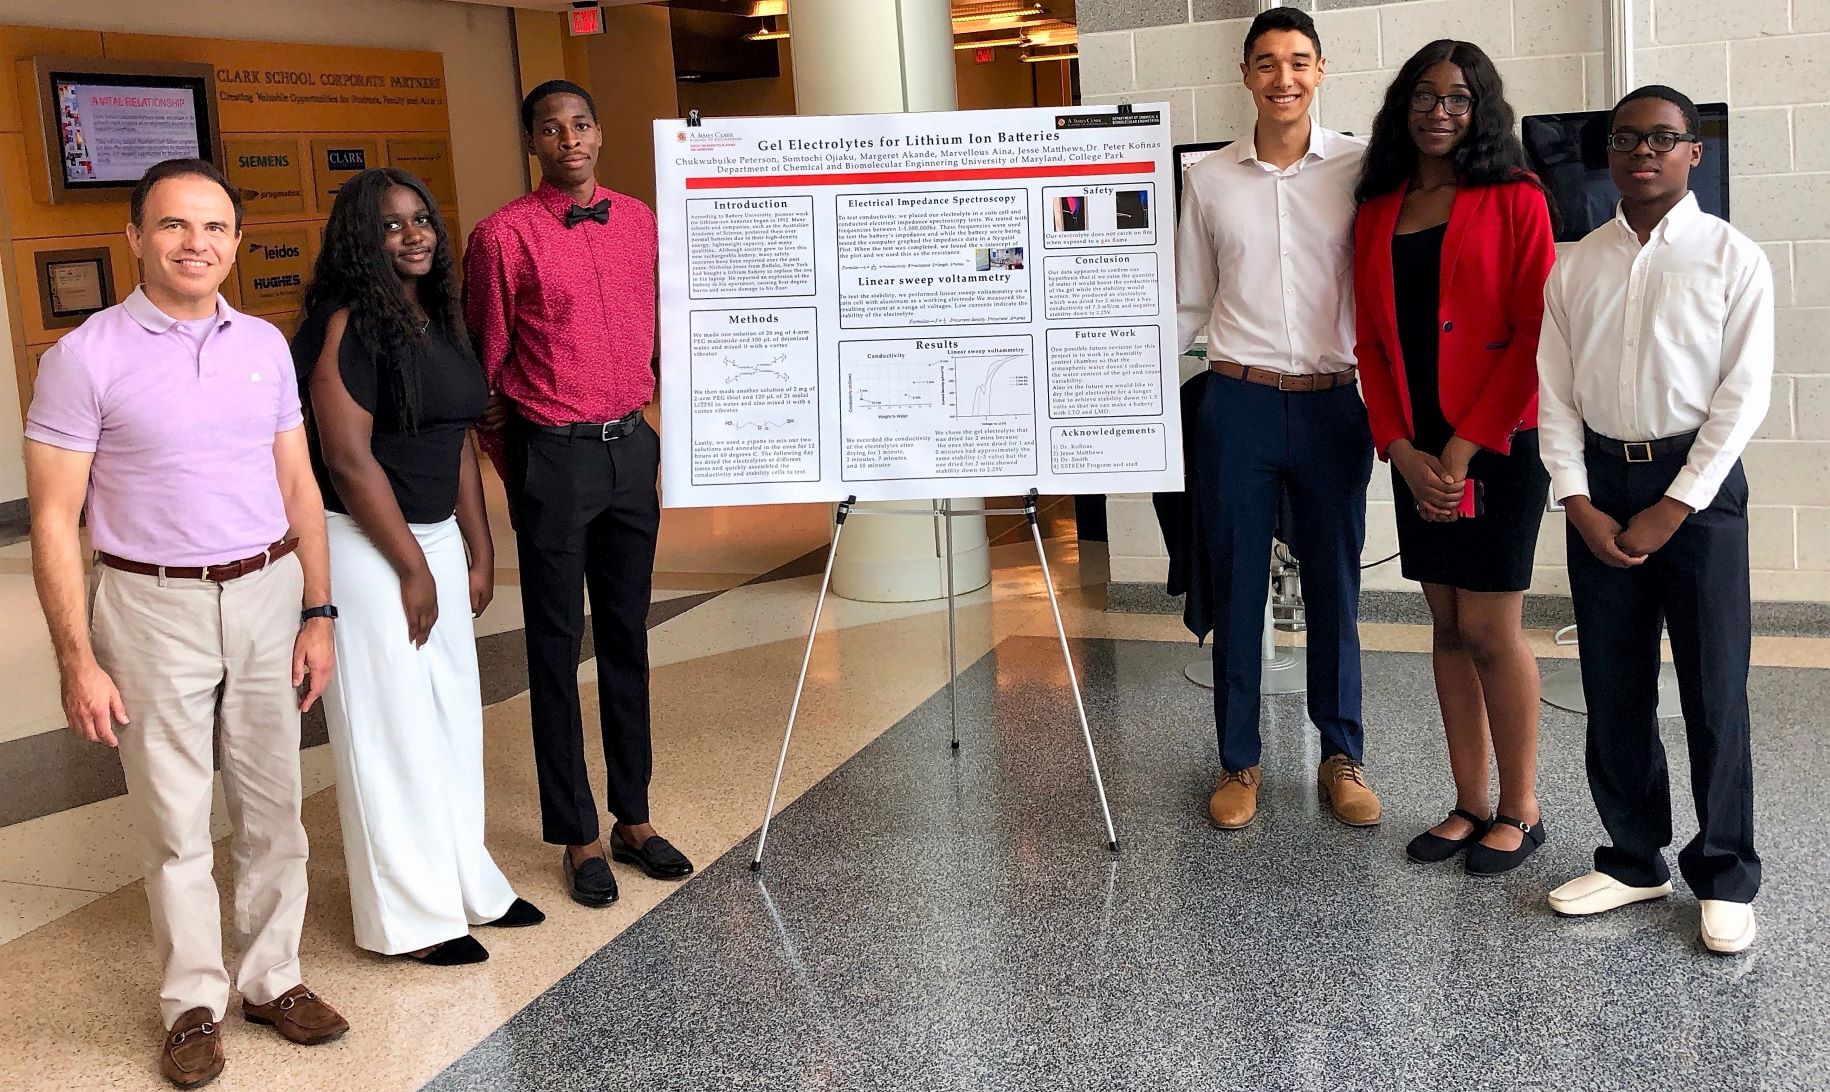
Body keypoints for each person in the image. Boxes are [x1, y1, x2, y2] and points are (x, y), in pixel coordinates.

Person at [24, 158, 348, 1088]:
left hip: (263, 591)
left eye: (213, 229)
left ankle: (272, 979)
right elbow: (54, 517)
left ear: (236, 245)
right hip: (148, 602)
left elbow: (299, 485)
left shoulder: (262, 346)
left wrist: (317, 612)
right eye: (173, 226)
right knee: (173, 819)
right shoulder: (84, 356)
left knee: (274, 806)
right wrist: (76, 657)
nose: (195, 244)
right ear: (134, 237)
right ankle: (193, 1003)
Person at [1538, 85, 1772, 954]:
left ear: (1693, 153)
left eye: (1663, 138)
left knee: (1715, 688)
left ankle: (1725, 872)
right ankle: (1635, 860)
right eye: (1628, 138)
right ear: (1609, 153)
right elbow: (1554, 393)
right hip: (1600, 484)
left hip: (1697, 490)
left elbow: (1743, 397)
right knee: (1614, 683)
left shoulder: (1731, 257)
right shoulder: (1578, 263)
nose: (1644, 151)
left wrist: (1677, 505)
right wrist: (1575, 497)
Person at [295, 167, 544, 966]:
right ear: (360, 241)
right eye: (393, 225)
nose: (415, 235)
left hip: (431, 539)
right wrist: (410, 567)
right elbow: (346, 458)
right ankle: (411, 917)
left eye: (423, 220)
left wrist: (478, 547)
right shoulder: (345, 326)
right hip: (367, 546)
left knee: (449, 720)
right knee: (389, 729)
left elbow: (458, 441)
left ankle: (466, 881)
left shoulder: (435, 316)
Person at [465, 79, 694, 906]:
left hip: (632, 449)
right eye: (552, 129)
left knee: (629, 636)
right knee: (556, 651)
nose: (570, 139)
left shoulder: (640, 222)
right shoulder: (500, 238)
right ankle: (579, 834)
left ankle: (634, 816)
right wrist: (517, 463)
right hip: (552, 459)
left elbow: (667, 338)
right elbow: (485, 372)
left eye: (582, 124)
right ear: (533, 143)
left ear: (599, 134)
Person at [1351, 41, 1556, 875]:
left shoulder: (1516, 197)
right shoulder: (1376, 207)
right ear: (1403, 106)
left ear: (1482, 110)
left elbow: (1536, 331)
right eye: (1425, 96)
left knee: (1489, 627)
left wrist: (1465, 446)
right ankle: (1469, 802)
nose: (1441, 111)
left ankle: (1522, 808)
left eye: (1460, 99)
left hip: (1498, 439)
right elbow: (1369, 341)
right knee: (1442, 625)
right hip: (1414, 444)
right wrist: (1399, 447)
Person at [1176, 7, 1378, 830]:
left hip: (1334, 402)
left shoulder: (1362, 169)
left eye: (1298, 61)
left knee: (1335, 584)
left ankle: (1341, 753)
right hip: (1240, 398)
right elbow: (1188, 298)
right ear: (1245, 75)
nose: (1283, 77)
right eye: (1266, 63)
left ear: (1321, 70)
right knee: (1235, 586)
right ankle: (1240, 761)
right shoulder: (1209, 178)